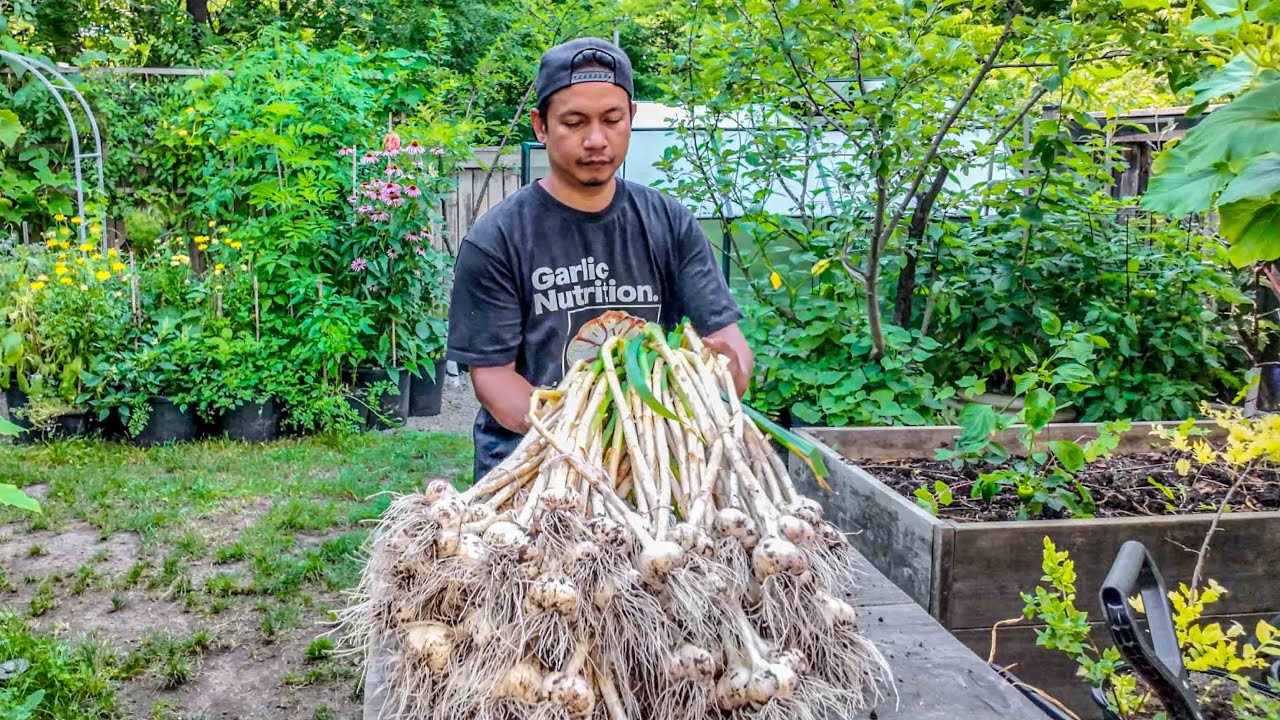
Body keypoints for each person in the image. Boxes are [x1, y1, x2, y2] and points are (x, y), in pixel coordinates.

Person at [447, 36, 754, 481]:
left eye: (612, 119)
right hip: (533, 463)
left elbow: (729, 346)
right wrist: (596, 437)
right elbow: (494, 380)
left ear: (631, 118)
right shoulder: (498, 238)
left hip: (653, 462)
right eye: (574, 122)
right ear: (540, 126)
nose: (596, 140)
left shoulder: (669, 222)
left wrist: (724, 376)